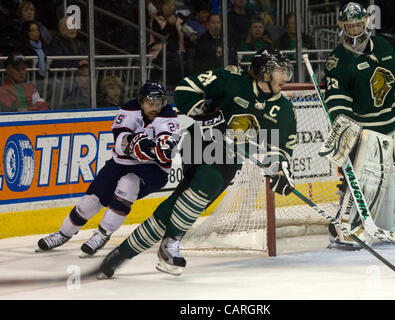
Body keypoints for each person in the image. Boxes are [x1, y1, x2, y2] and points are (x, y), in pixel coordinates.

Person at [97, 48, 298, 279]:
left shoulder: (283, 109)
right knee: (208, 182)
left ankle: (120, 255)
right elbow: (186, 88)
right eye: (280, 71)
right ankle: (170, 243)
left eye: (286, 71)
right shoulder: (232, 79)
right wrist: (201, 112)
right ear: (264, 72)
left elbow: (282, 149)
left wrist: (281, 169)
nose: (286, 78)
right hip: (200, 142)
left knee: (179, 203)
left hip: (232, 156)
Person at [323, 2, 395, 249]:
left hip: (393, 127)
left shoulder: (383, 47)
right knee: (365, 181)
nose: (355, 29)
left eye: (358, 23)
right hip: (366, 131)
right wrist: (346, 130)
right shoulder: (337, 59)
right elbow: (337, 101)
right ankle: (349, 226)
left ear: (366, 22)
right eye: (350, 25)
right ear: (342, 26)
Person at [37, 81, 180, 255]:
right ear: (141, 102)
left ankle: (102, 234)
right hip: (120, 164)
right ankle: (63, 234)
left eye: (159, 103)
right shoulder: (128, 109)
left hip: (153, 169)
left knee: (128, 184)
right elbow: (120, 141)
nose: (155, 107)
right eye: (150, 103)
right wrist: (134, 144)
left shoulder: (168, 115)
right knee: (89, 203)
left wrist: (164, 145)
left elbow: (167, 140)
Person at [147, 0, 186, 88]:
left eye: (172, 5)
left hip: (177, 50)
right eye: (167, 4)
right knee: (173, 60)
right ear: (162, 6)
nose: (170, 7)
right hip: (159, 50)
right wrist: (169, 24)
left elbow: (183, 37)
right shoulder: (155, 20)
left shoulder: (179, 20)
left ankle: (178, 88)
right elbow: (158, 38)